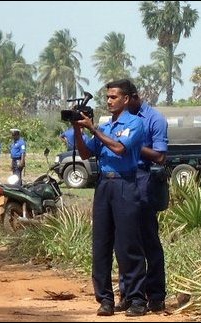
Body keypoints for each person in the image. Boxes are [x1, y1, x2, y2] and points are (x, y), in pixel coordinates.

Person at [73, 79, 147, 317]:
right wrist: (77, 129)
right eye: (107, 97)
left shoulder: (135, 123)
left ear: (125, 99)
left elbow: (119, 149)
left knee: (128, 245)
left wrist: (93, 129)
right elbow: (86, 152)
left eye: (113, 97)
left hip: (125, 183)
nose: (108, 101)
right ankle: (105, 299)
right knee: (101, 244)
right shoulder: (105, 127)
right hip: (104, 185)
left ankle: (136, 299)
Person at [114, 80, 169, 313]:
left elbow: (159, 157)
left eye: (122, 99)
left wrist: (132, 145)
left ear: (132, 97)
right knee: (125, 241)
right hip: (121, 179)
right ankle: (128, 294)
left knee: (148, 240)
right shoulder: (119, 120)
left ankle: (155, 296)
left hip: (144, 179)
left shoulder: (154, 119)